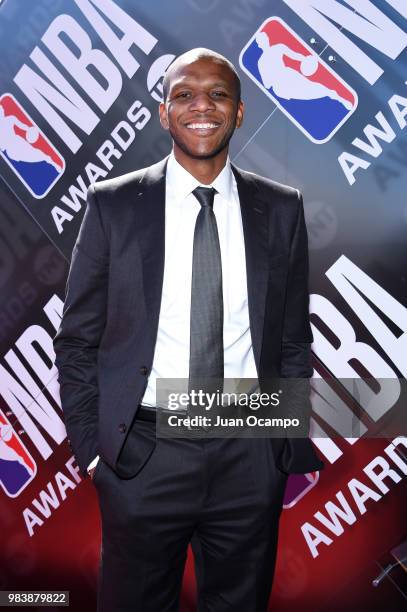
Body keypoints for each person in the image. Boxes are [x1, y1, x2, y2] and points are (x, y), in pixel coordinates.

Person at [53, 47, 324, 612]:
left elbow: (294, 338)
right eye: (184, 93)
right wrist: (95, 452)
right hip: (145, 455)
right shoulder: (114, 205)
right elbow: (77, 340)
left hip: (249, 452)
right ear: (163, 112)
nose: (202, 106)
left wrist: (279, 445)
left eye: (219, 94)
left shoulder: (281, 208)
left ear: (240, 112)